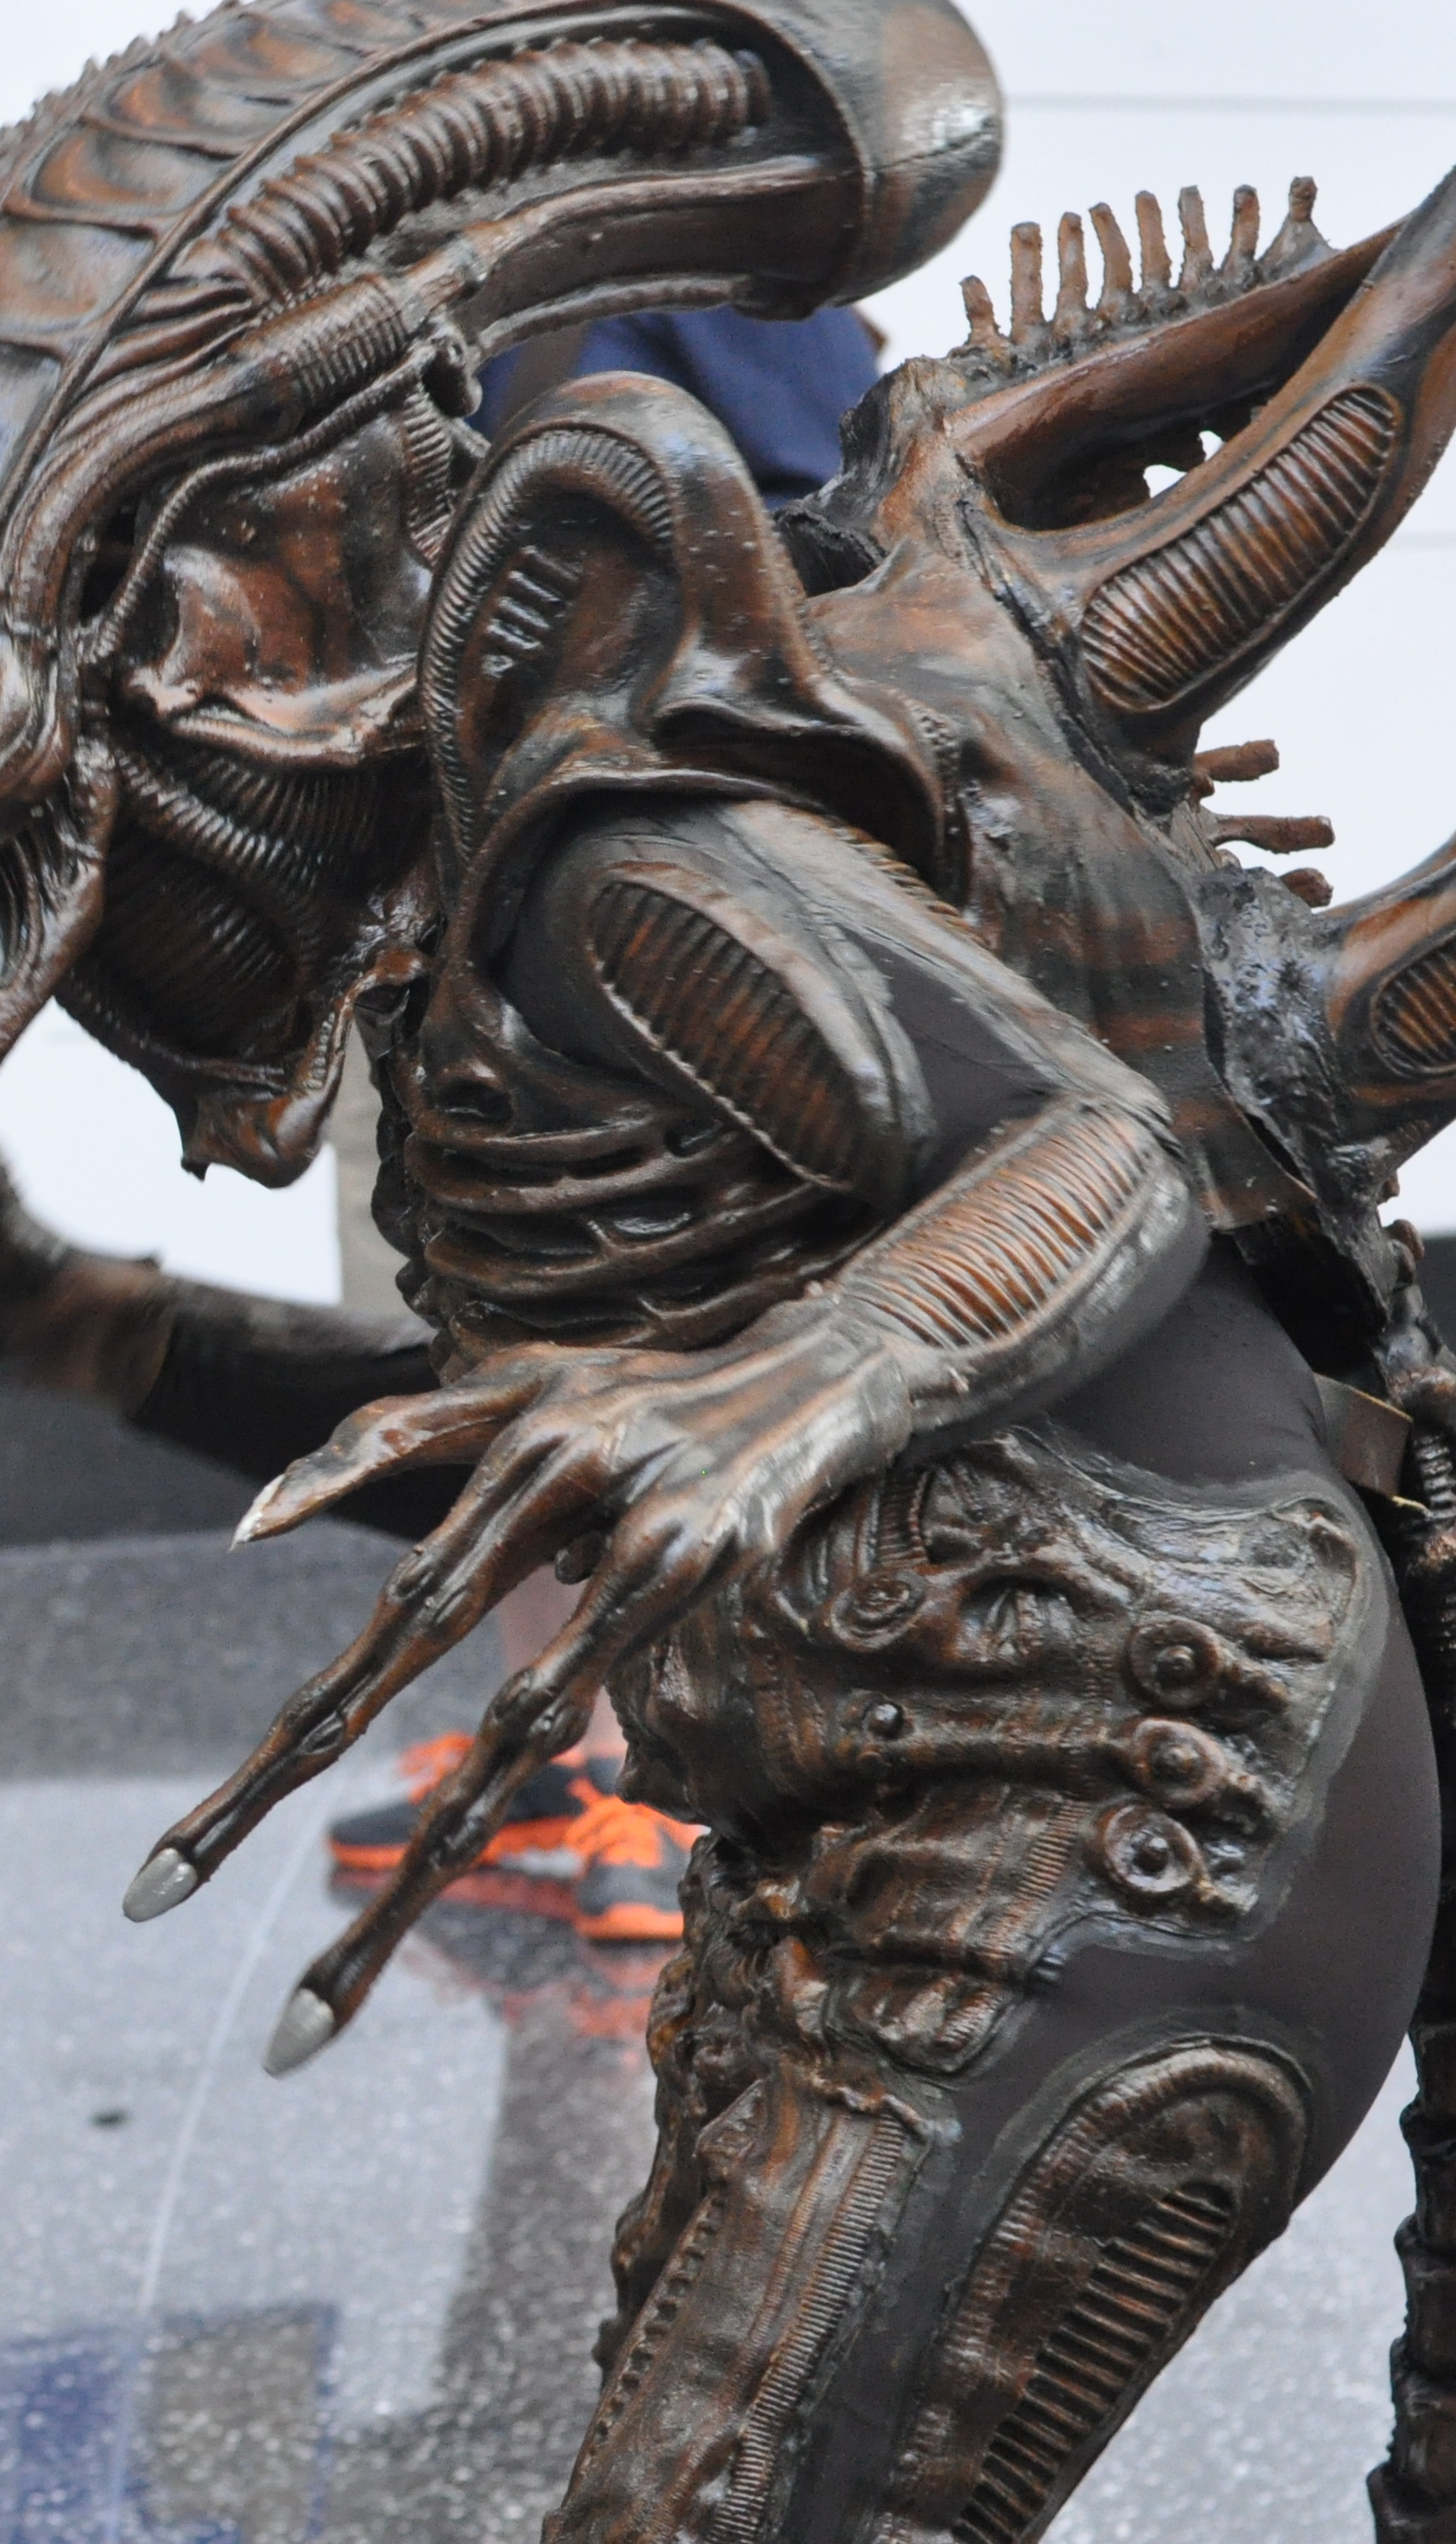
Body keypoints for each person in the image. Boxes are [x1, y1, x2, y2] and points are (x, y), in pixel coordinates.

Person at [308, 305, 900, 1949]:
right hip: (451, 868)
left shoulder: (723, 256)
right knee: (478, 1319)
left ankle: (672, 1777)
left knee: (652, 1307)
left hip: (636, 880)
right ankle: (550, 1750)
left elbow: (818, 543)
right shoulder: (464, 255)